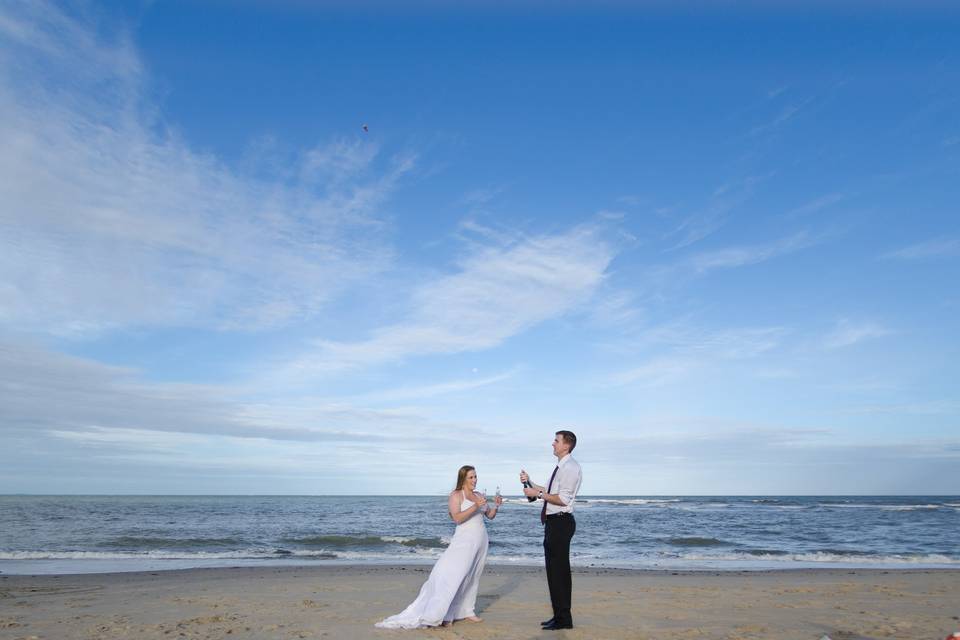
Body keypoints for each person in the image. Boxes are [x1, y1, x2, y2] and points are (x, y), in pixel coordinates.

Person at [375, 465, 503, 629]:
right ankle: (446, 614)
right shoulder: (456, 495)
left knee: (473, 575)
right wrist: (475, 506)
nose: (475, 480)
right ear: (463, 478)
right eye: (471, 477)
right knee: (455, 574)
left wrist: (497, 506)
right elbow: (457, 518)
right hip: (464, 541)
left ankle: (468, 611)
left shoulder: (479, 495)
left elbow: (489, 516)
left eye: (476, 476)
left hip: (481, 540)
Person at [520, 430, 582, 630]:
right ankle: (559, 616)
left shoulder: (570, 467)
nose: (552, 444)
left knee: (559, 573)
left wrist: (536, 493)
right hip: (553, 523)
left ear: (566, 445)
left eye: (556, 441)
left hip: (561, 523)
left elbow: (562, 499)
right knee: (554, 573)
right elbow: (546, 491)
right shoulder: (560, 467)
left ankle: (564, 619)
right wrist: (529, 482)